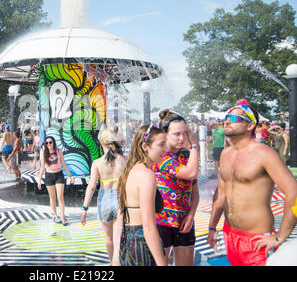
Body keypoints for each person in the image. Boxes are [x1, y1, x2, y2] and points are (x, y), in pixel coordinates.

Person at [207, 104, 297, 266]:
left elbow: (294, 193)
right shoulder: (226, 154)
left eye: (234, 118)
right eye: (226, 118)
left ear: (250, 125)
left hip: (257, 240)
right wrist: (212, 227)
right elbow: (221, 193)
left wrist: (280, 236)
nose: (227, 122)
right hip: (230, 234)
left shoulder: (264, 154)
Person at [113, 124, 168, 266]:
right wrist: (162, 263)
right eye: (161, 145)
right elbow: (149, 226)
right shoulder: (147, 175)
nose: (165, 149)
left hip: (126, 243)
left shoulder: (129, 171)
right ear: (145, 147)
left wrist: (116, 256)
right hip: (141, 245)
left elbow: (120, 217)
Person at [152, 109, 200, 266]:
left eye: (185, 133)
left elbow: (195, 191)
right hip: (162, 222)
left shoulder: (187, 156)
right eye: (176, 134)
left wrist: (191, 215)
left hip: (184, 222)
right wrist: (195, 146)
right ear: (165, 134)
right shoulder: (161, 156)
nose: (182, 138)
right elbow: (190, 173)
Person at [80, 128, 125, 262]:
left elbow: (92, 186)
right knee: (118, 239)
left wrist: (85, 208)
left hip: (104, 199)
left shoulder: (97, 163)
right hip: (120, 198)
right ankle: (119, 263)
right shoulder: (123, 160)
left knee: (109, 239)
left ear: (101, 143)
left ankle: (113, 263)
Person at [37, 136, 75, 226]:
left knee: (60, 196)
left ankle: (62, 216)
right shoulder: (44, 153)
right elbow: (42, 167)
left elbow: (63, 164)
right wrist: (39, 180)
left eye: (50, 142)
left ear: (53, 142)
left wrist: (70, 176)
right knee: (52, 197)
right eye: (46, 143)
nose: (48, 144)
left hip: (59, 175)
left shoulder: (59, 151)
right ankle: (55, 215)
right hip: (49, 175)